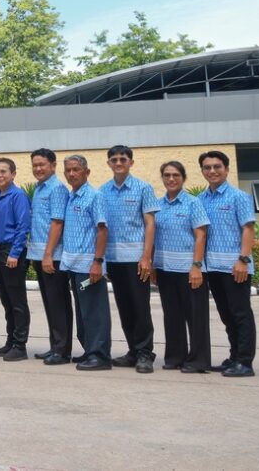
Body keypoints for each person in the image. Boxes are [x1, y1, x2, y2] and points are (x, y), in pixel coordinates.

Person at [100, 145, 159, 374]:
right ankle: (133, 351)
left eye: (122, 159)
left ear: (131, 162)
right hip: (114, 260)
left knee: (140, 307)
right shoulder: (103, 191)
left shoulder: (143, 188)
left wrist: (146, 257)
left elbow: (150, 224)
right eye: (114, 159)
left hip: (136, 260)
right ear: (108, 163)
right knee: (124, 307)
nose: (118, 163)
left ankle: (145, 353)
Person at [197, 150, 257, 378]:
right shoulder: (201, 199)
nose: (212, 171)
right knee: (226, 315)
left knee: (240, 314)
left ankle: (245, 362)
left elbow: (248, 229)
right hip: (212, 268)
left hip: (236, 268)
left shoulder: (238, 197)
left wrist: (243, 260)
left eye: (217, 166)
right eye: (207, 167)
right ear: (203, 171)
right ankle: (234, 357)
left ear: (227, 169)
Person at [153, 161, 211, 373]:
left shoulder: (193, 203)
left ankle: (198, 360)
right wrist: (153, 265)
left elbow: (201, 235)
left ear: (183, 178)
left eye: (176, 175)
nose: (171, 179)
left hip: (189, 270)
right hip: (165, 269)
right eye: (167, 175)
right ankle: (175, 356)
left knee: (196, 317)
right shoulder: (157, 205)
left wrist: (196, 266)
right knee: (172, 315)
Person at [59, 155, 111, 371]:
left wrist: (97, 262)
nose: (72, 174)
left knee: (95, 312)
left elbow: (102, 230)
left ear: (86, 172)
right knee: (83, 312)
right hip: (73, 265)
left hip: (89, 266)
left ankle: (99, 356)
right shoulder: (71, 196)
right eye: (68, 170)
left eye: (76, 169)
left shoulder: (94, 196)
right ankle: (90, 350)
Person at [28, 148, 73, 365]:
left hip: (52, 257)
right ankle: (55, 346)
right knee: (49, 303)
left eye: (42, 165)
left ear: (53, 166)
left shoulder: (57, 189)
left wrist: (47, 255)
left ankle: (62, 351)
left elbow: (57, 223)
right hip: (41, 255)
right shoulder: (39, 188)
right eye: (35, 165)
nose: (38, 168)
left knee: (58, 304)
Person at [0, 158, 32, 362]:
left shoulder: (18, 196)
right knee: (7, 301)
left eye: (3, 171)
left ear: (13, 174)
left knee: (17, 302)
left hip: (11, 253)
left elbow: (23, 227)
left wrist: (14, 254)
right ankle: (10, 341)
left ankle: (20, 346)